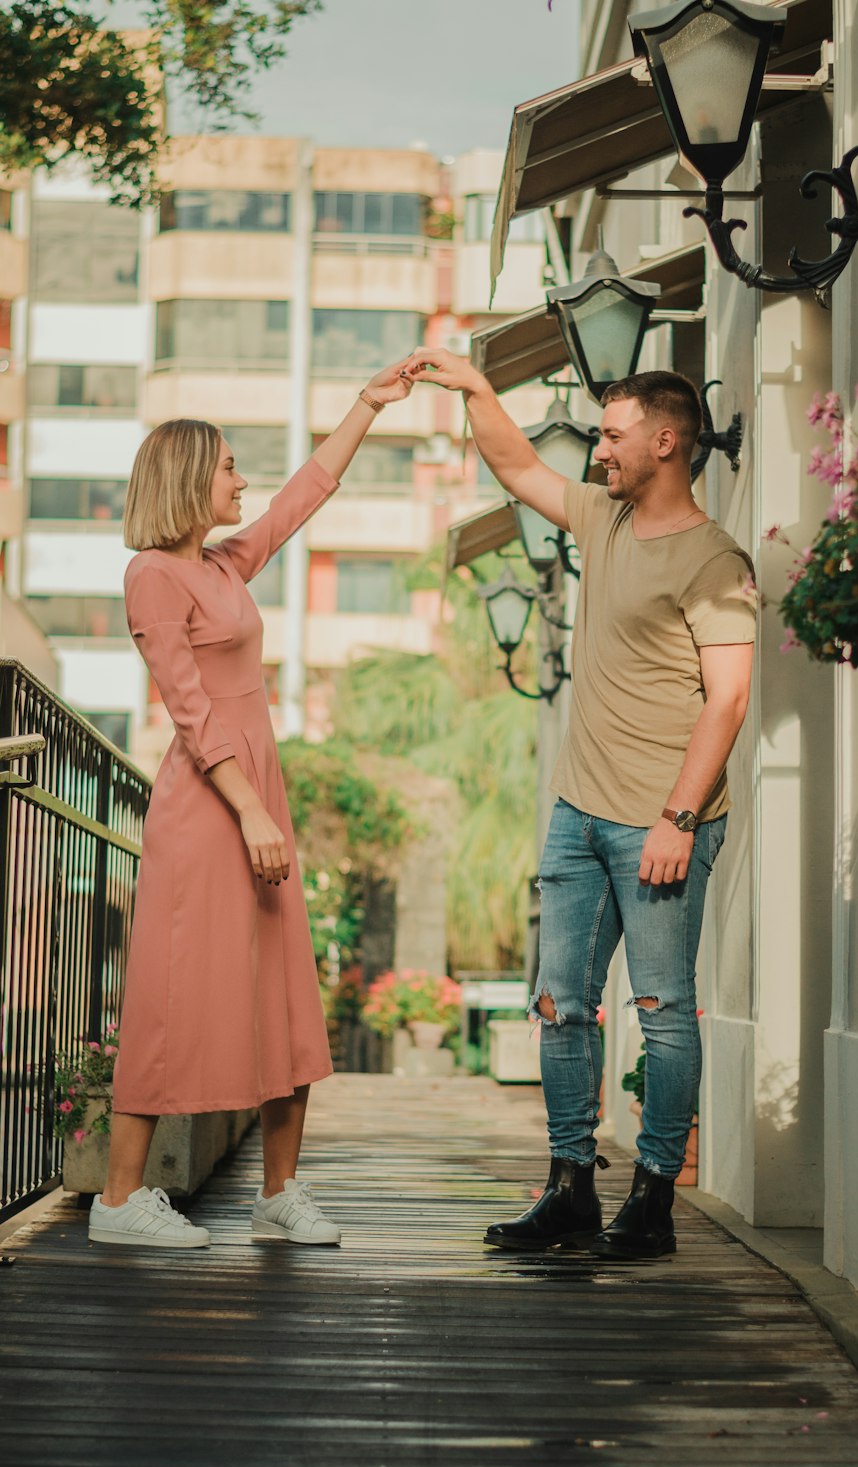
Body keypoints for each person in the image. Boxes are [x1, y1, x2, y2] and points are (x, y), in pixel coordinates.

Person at [406, 351, 757, 1260]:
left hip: (663, 820)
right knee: (562, 1004)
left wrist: (679, 817)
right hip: (577, 812)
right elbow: (518, 468)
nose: (599, 452)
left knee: (663, 1008)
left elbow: (727, 698)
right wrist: (477, 391)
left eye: (612, 435)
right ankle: (569, 1188)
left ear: (666, 441)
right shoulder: (601, 519)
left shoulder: (715, 559)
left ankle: (651, 1202)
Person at [89, 364, 414, 1249]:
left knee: (280, 986)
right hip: (209, 807)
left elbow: (308, 492)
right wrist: (250, 812)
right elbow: (187, 707)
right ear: (192, 480)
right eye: (230, 467)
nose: (242, 482)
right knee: (170, 991)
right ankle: (118, 1203)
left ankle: (279, 1191)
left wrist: (367, 407)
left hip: (252, 797)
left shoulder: (226, 564)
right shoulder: (153, 575)